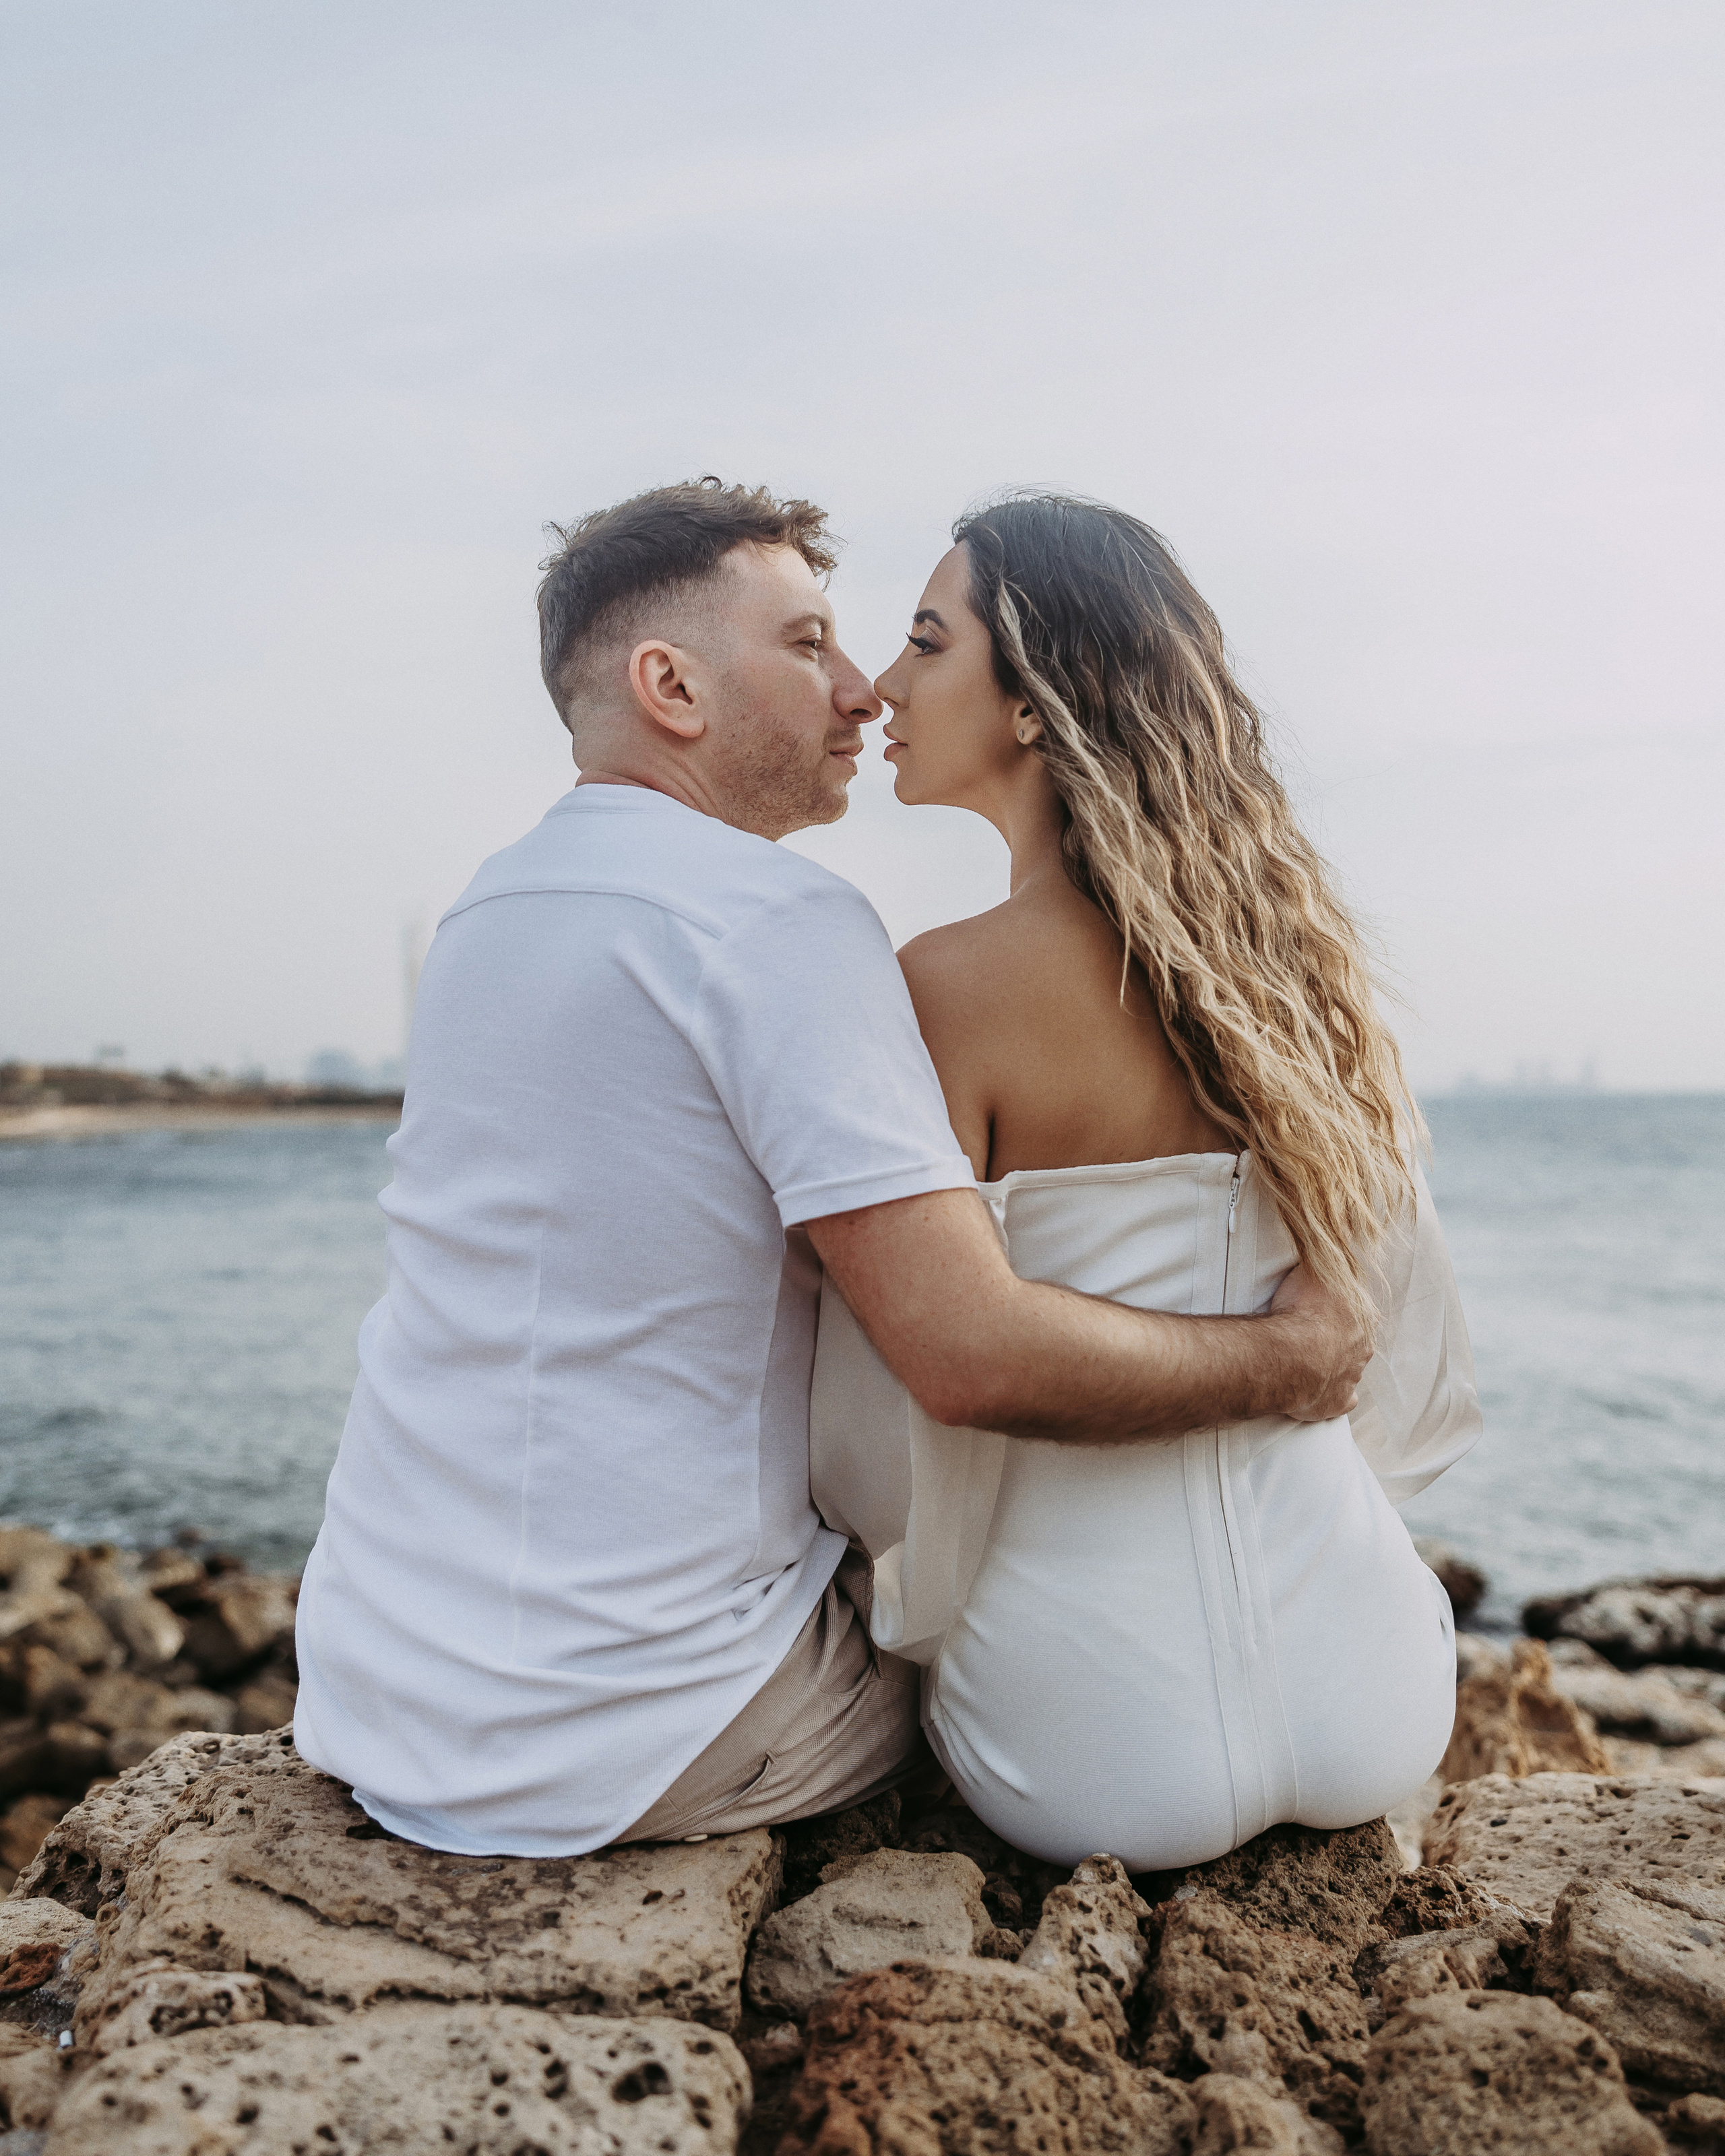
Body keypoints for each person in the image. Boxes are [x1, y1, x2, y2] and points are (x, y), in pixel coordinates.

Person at [292, 478, 1372, 1860]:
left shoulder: (489, 910)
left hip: (382, 1693)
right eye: (806, 645)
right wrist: (1289, 1361)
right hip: (640, 1734)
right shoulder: (775, 922)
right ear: (669, 685)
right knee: (994, 1667)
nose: (861, 690)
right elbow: (967, 1353)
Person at [812, 493, 1482, 1872]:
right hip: (1378, 1696)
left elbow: (881, 1421)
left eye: (925, 644)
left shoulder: (938, 988)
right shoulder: (1296, 976)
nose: (880, 683)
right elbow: (1381, 1325)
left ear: (1031, 708)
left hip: (1085, 1747)